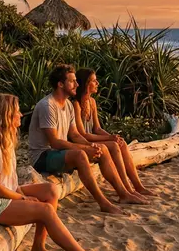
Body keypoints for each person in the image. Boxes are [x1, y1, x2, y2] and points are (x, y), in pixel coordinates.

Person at [0, 93, 118, 251]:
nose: (21, 114)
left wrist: (21, 195)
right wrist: (22, 198)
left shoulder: (5, 139)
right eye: (17, 111)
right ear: (7, 115)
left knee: (51, 190)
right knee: (45, 210)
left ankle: (38, 246)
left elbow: (8, 182)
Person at [27, 64, 148, 215]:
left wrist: (91, 146)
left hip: (58, 152)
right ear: (60, 84)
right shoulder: (48, 106)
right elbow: (55, 142)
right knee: (80, 155)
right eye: (72, 81)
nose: (77, 84)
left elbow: (75, 135)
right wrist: (85, 148)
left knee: (102, 149)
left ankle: (124, 194)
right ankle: (103, 203)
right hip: (42, 156)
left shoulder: (68, 105)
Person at [72, 68, 154, 197]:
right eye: (94, 81)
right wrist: (110, 139)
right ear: (86, 84)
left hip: (93, 139)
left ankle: (138, 186)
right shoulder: (76, 104)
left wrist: (113, 136)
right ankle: (127, 189)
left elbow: (97, 129)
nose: (97, 83)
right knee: (114, 145)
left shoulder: (92, 102)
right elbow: (83, 134)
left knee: (121, 143)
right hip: (84, 142)